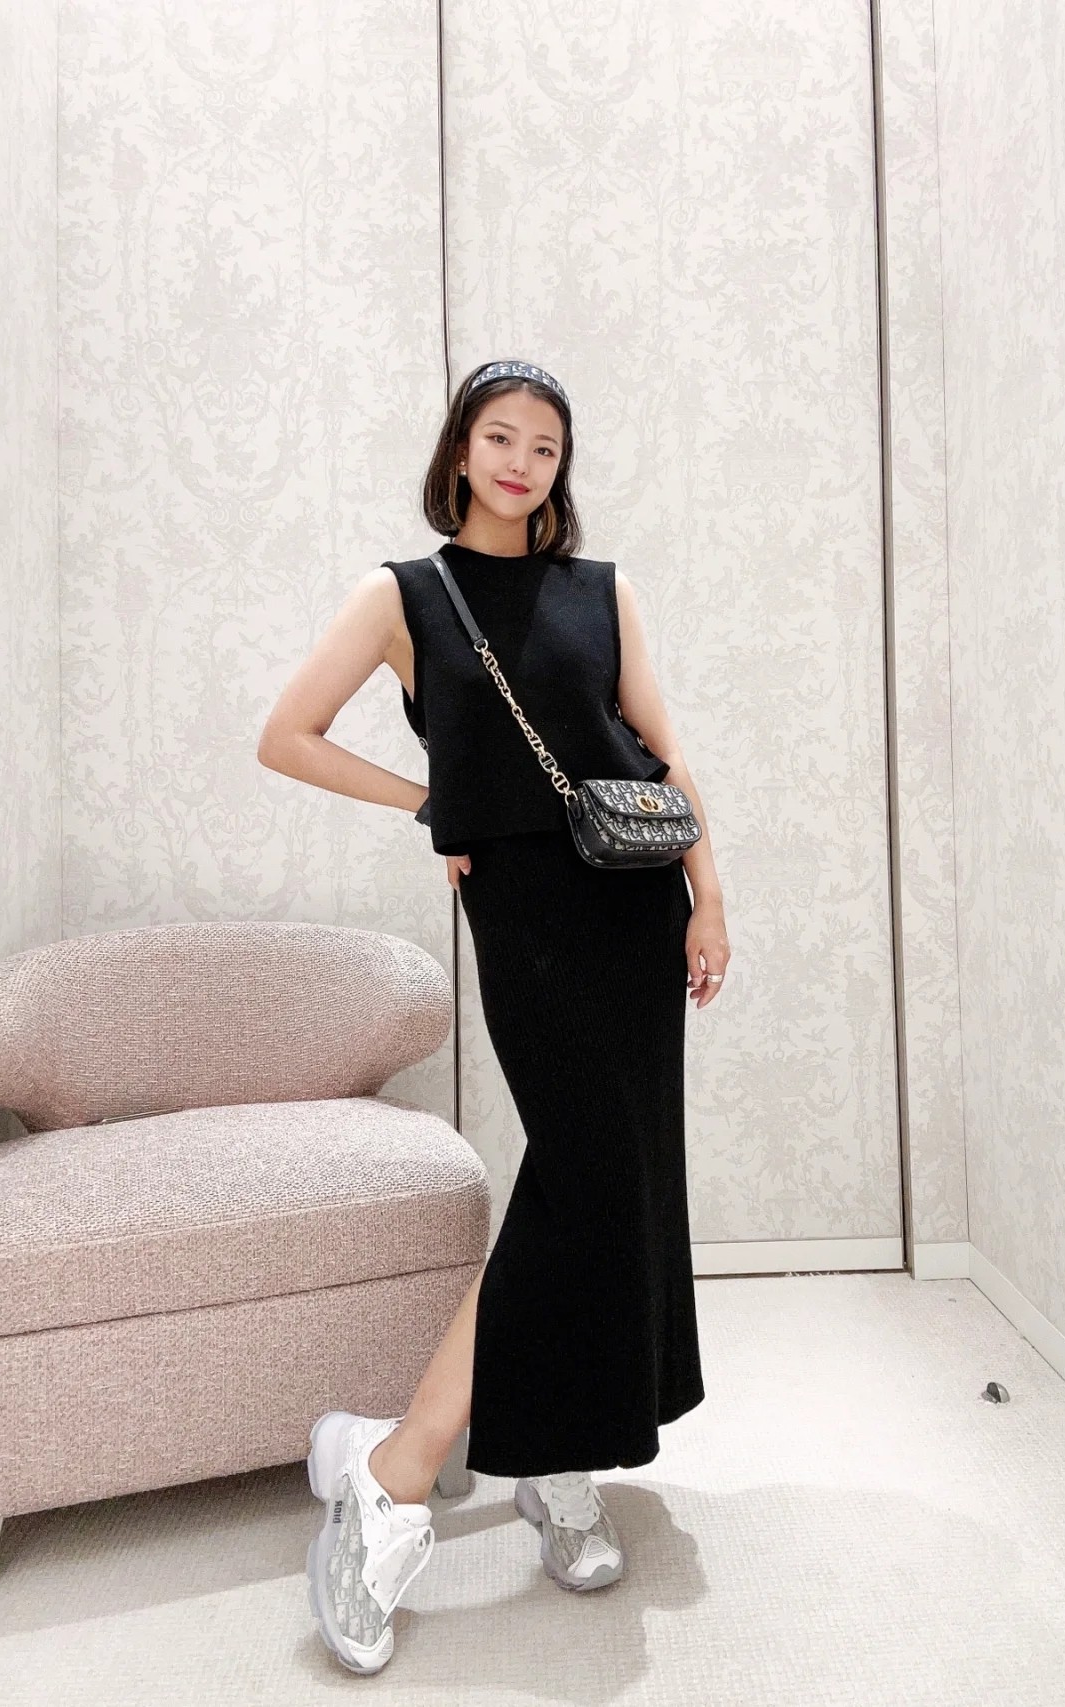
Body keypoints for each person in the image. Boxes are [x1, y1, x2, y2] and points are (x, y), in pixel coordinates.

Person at [257, 358, 731, 1676]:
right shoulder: (404, 595)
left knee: (619, 1182)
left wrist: (709, 898)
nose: (522, 462)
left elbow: (662, 753)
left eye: (545, 446)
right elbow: (287, 734)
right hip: (525, 914)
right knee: (582, 1174)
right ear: (461, 450)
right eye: (500, 437)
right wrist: (433, 804)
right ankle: (394, 1474)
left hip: (634, 905)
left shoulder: (602, 590)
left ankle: (553, 1460)